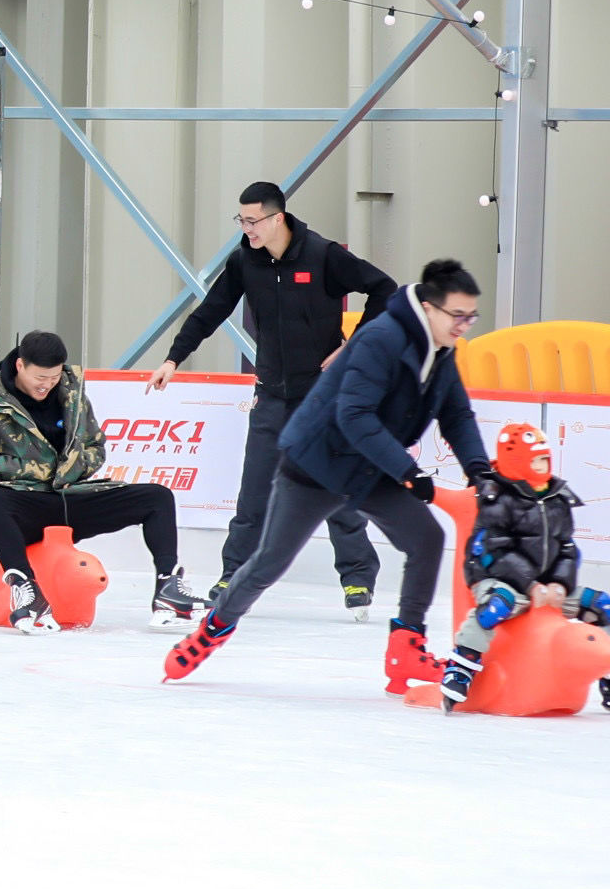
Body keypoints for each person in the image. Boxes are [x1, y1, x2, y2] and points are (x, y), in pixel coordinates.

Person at [168, 260, 491, 686]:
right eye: (457, 315)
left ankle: (407, 646)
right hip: (318, 463)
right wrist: (409, 473)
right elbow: (353, 415)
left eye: (471, 317)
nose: (464, 326)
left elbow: (457, 414)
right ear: (430, 308)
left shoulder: (442, 351)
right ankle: (213, 629)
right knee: (270, 561)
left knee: (426, 539)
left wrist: (480, 470)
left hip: (369, 467)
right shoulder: (382, 338)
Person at [150, 181, 393, 620]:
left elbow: (385, 289)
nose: (246, 229)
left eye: (252, 220)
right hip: (272, 394)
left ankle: (358, 575)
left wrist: (352, 345)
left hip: (322, 398)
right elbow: (211, 310)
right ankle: (233, 573)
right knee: (255, 489)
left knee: (335, 488)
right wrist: (174, 357)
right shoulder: (246, 261)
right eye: (240, 221)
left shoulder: (322, 255)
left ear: (277, 217)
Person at [0, 332, 201, 630]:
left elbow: (96, 446)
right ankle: (25, 590)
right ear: (20, 365)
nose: (46, 384)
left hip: (72, 495)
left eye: (54, 377)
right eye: (40, 377)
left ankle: (168, 587)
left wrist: (73, 466)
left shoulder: (72, 393)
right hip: (27, 501)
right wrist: (30, 469)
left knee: (157, 497)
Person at [442, 423, 610, 712]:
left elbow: (567, 548)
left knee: (602, 605)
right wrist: (530, 585)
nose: (544, 465)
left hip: (549, 587)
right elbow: (495, 551)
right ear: (517, 462)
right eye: (537, 460)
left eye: (546, 458)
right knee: (497, 606)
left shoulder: (557, 497)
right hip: (501, 580)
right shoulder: (497, 498)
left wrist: (560, 583)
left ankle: (606, 672)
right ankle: (461, 665)